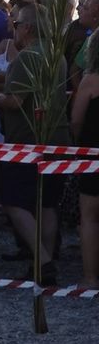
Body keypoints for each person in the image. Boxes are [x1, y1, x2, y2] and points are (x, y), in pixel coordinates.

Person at [0, 2, 69, 285]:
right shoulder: (55, 55)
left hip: (27, 140)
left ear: (26, 28)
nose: (13, 29)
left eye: (15, 24)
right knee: (47, 203)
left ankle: (43, 260)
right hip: (56, 137)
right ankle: (44, 260)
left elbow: (15, 100)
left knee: (13, 201)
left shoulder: (27, 58)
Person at [71, 53, 99, 289]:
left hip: (93, 155)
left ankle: (90, 278)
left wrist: (78, 143)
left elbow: (76, 120)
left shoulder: (91, 80)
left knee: (89, 217)